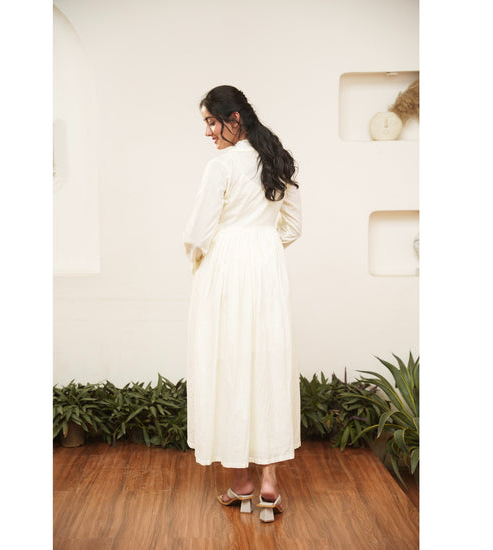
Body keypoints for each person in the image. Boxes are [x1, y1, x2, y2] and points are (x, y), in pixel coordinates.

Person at [183, 85, 302, 523]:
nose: (208, 133)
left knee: (228, 364)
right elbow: (293, 227)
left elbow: (199, 232)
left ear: (234, 119)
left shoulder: (222, 166)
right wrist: (262, 248)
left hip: (225, 273)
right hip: (267, 273)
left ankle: (242, 482)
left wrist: (207, 260)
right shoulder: (278, 160)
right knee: (267, 364)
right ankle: (269, 484)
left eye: (211, 122)